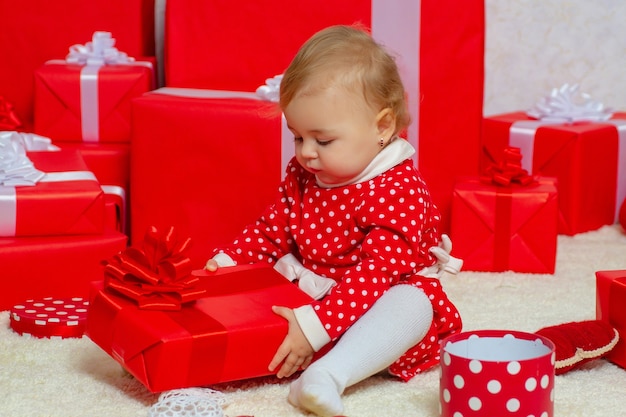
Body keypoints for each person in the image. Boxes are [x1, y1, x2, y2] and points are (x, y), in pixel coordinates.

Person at [205, 24, 462, 417]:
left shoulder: (398, 188)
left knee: (414, 304)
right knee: (260, 287)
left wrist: (317, 326)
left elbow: (377, 273)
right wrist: (224, 265)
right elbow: (272, 229)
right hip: (311, 294)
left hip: (372, 302)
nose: (306, 153)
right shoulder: (304, 174)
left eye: (322, 141)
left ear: (382, 127)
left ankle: (329, 375)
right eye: (297, 136)